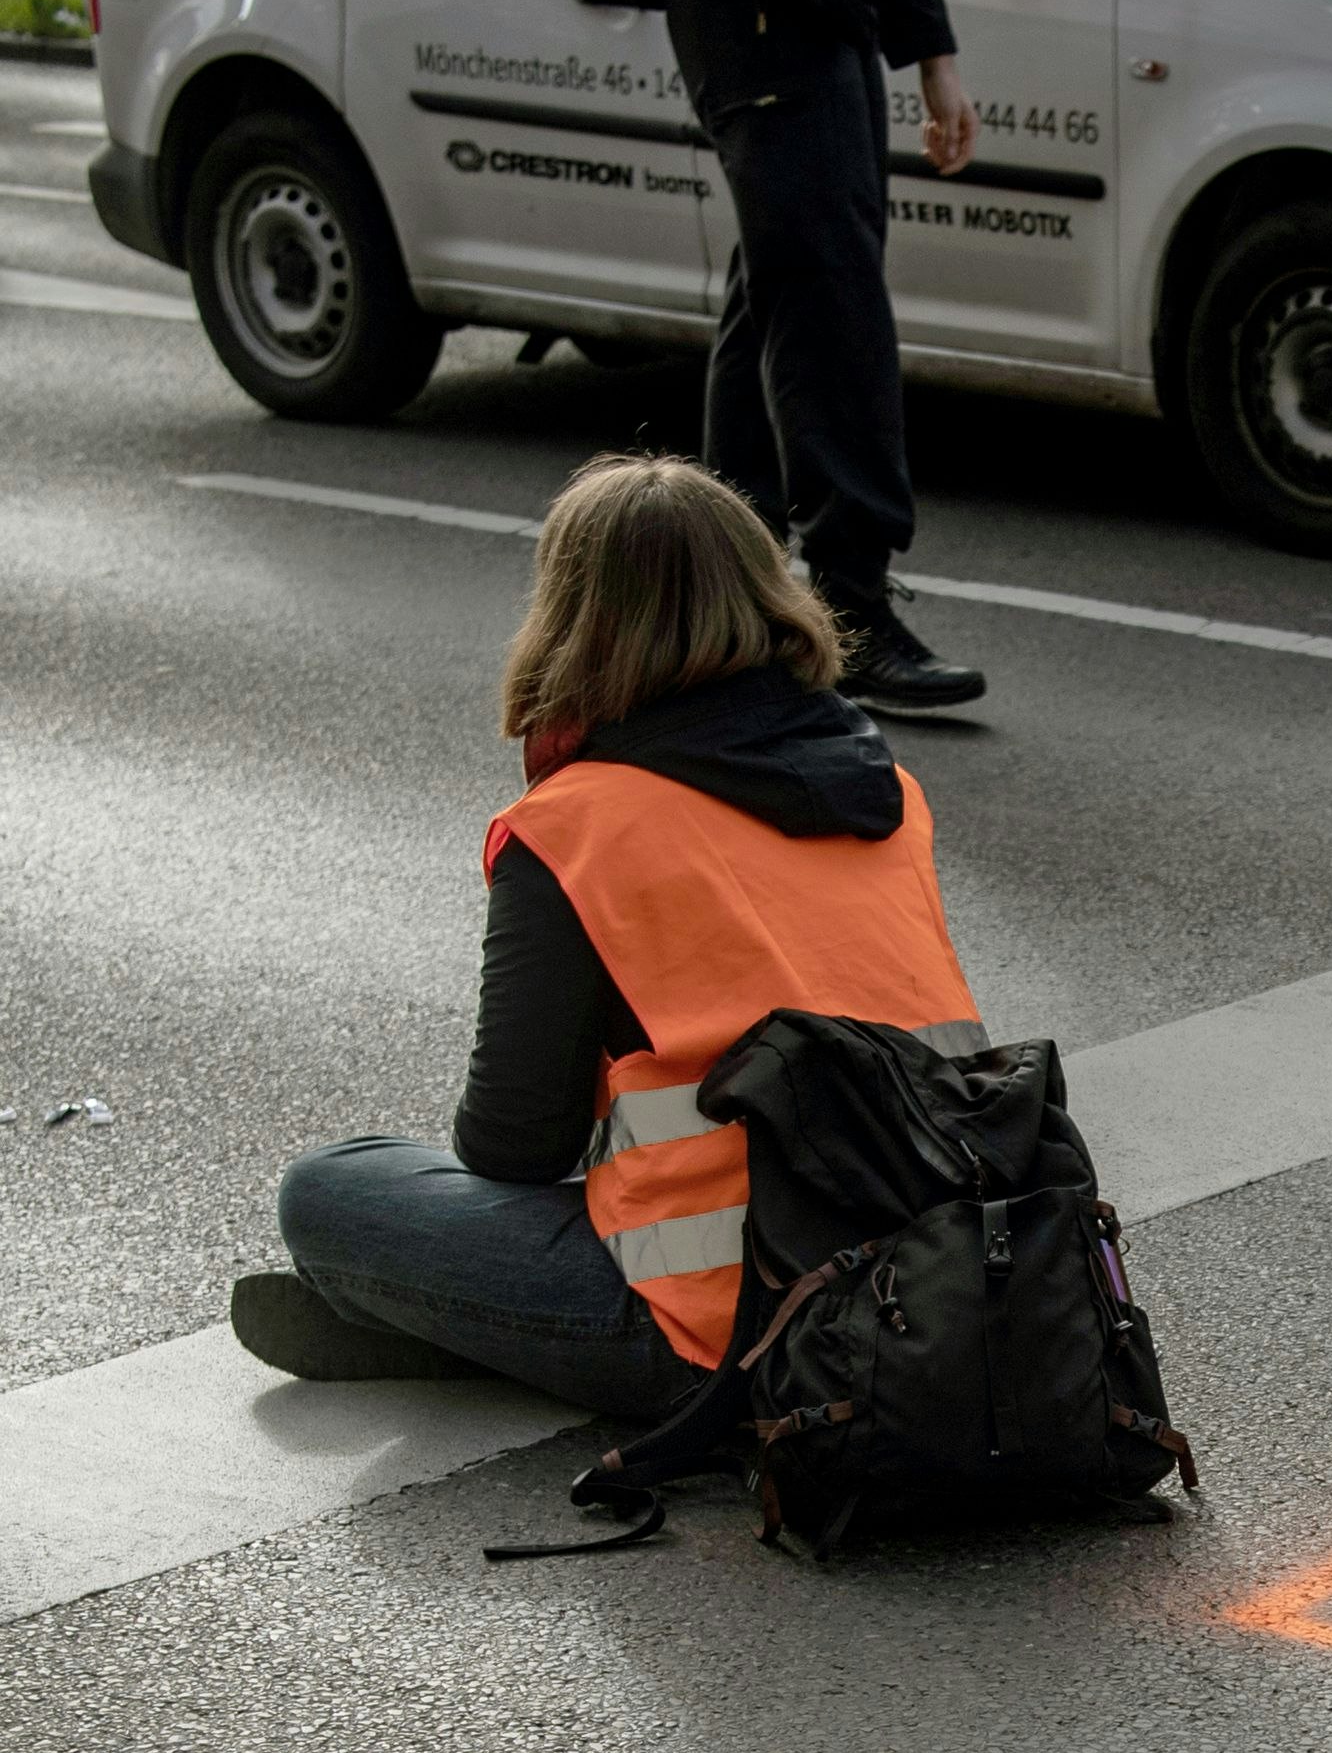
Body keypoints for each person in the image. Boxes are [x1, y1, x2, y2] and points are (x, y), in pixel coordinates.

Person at [232, 456, 988, 1413]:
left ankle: (449, 1324)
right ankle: (462, 1322)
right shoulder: (888, 797)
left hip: (723, 1332)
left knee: (329, 1190)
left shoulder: (577, 827)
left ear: (571, 619)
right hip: (928, 1285)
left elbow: (513, 1145)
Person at [626, 0, 988, 709]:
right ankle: (845, 609)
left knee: (784, 286)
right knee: (827, 299)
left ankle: (732, 605)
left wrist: (933, 55)